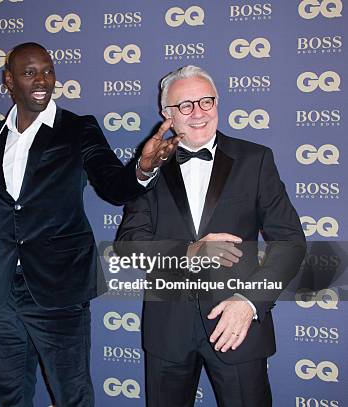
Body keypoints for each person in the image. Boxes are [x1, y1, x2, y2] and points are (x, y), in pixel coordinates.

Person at [0, 42, 180, 407]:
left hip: (60, 292)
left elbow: (113, 185)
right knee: (9, 398)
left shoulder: (78, 128)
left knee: (72, 397)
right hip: (2, 296)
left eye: (48, 70)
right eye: (30, 73)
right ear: (9, 81)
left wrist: (143, 167)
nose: (42, 80)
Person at [115, 65, 306, 406]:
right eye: (185, 105)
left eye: (206, 101)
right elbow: (128, 247)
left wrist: (249, 303)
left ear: (218, 103)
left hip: (239, 329)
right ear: (167, 114)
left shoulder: (256, 160)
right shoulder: (149, 166)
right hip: (168, 332)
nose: (199, 112)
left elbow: (290, 242)